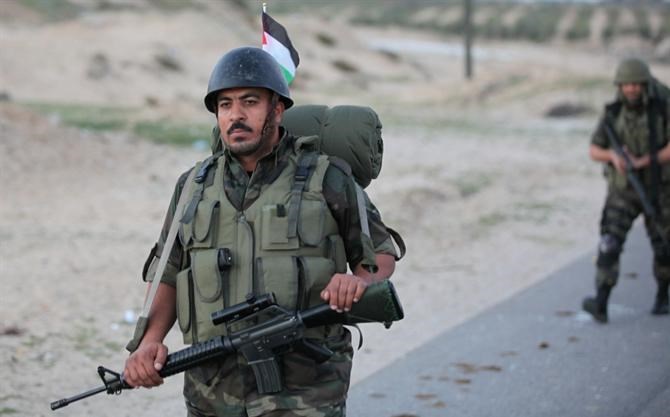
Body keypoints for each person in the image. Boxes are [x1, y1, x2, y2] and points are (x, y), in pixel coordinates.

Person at [123, 46, 401, 416]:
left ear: (278, 109)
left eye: (250, 102)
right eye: (225, 105)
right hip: (213, 392)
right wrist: (149, 341)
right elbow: (168, 272)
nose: (236, 115)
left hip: (307, 391)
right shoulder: (192, 187)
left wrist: (358, 282)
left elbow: (379, 255)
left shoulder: (327, 177)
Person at [582, 58, 670, 323]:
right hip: (623, 190)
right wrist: (613, 156)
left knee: (664, 245)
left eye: (636, 84)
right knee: (609, 243)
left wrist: (644, 161)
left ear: (645, 85)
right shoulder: (613, 114)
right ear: (619, 86)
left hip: (658, 188)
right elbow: (594, 150)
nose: (631, 89)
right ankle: (601, 302)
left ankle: (663, 297)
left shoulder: (662, 109)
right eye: (626, 84)